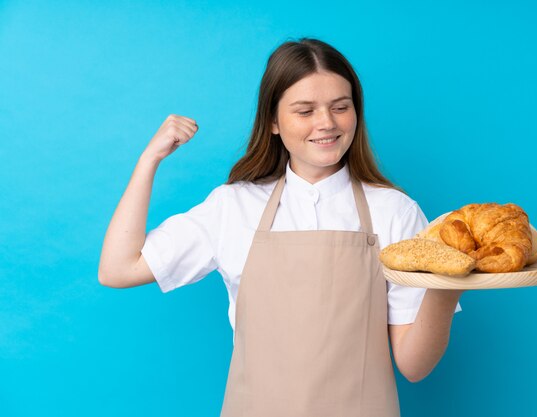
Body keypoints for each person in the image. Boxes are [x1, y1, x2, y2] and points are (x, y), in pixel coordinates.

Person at [98, 38, 464, 417]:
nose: (327, 123)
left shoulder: (395, 211)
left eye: (341, 107)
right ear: (273, 121)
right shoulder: (233, 206)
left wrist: (446, 288)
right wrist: (149, 159)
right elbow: (117, 269)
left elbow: (414, 366)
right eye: (305, 111)